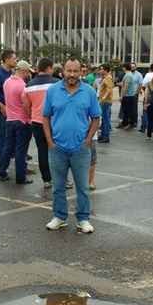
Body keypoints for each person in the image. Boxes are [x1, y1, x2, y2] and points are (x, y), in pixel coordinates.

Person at [42, 58, 101, 233]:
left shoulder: (88, 91)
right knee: (58, 187)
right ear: (63, 71)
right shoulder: (53, 91)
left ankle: (83, 219)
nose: (72, 75)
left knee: (82, 187)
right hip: (57, 148)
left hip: (80, 149)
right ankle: (60, 217)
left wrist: (88, 140)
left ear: (81, 72)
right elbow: (45, 117)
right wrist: (50, 142)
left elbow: (96, 118)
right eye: (69, 71)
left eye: (76, 71)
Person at [23, 58, 57, 188]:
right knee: (57, 152)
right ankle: (60, 179)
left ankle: (46, 180)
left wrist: (31, 116)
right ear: (49, 68)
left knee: (42, 151)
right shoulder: (56, 84)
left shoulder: (29, 85)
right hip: (54, 122)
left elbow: (26, 106)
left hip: (37, 122)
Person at [0, 60, 34, 184]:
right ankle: (20, 177)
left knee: (7, 147)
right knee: (21, 151)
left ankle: (2, 172)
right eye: (28, 71)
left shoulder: (7, 82)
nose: (28, 74)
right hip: (22, 121)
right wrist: (30, 117)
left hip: (10, 119)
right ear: (23, 71)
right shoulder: (23, 86)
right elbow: (25, 105)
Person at [96, 64, 114, 143]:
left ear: (105, 70)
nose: (100, 70)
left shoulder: (108, 78)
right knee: (104, 118)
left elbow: (109, 89)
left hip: (105, 102)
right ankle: (103, 135)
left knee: (105, 119)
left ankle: (105, 136)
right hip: (104, 101)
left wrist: (103, 97)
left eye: (101, 69)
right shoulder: (105, 78)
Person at [117, 63, 138, 129]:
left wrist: (121, 96)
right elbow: (123, 84)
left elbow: (125, 87)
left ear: (125, 68)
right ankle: (124, 123)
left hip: (128, 96)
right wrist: (117, 83)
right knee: (125, 110)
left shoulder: (128, 75)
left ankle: (130, 124)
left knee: (128, 111)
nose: (122, 68)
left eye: (123, 67)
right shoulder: (127, 75)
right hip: (128, 95)